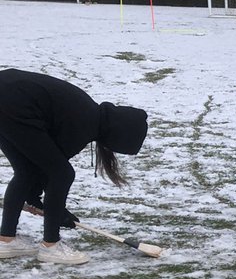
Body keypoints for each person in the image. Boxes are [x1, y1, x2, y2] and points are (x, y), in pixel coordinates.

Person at [0, 68, 148, 266]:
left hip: (9, 97)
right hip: (13, 102)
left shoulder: (88, 113)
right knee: (63, 174)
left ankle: (6, 240)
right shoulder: (85, 123)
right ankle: (51, 245)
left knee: (26, 171)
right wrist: (57, 212)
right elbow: (54, 172)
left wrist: (43, 204)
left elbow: (37, 168)